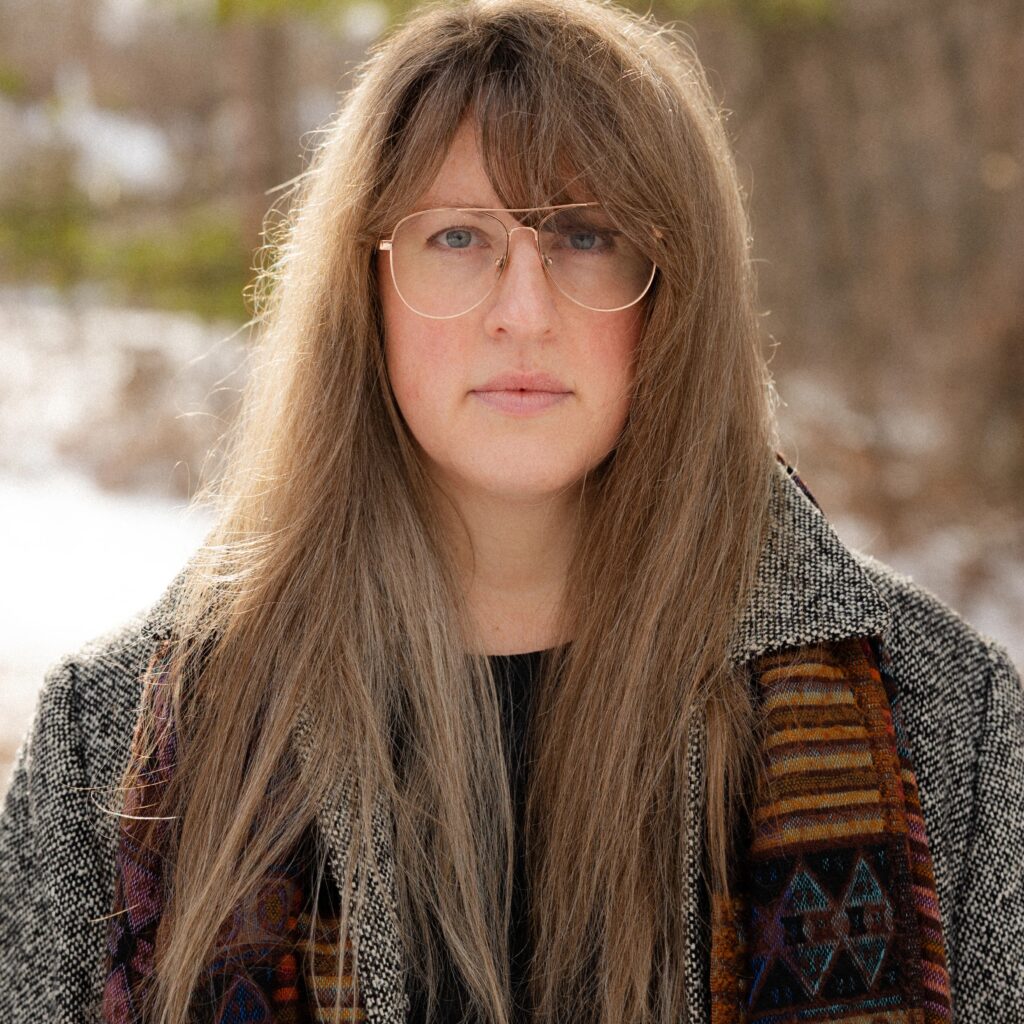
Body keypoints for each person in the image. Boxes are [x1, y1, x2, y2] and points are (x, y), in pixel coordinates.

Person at [1, 0, 1021, 1021]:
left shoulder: (944, 729)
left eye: (586, 235)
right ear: (368, 284)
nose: (521, 311)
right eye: (455, 236)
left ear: (677, 289)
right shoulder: (116, 748)